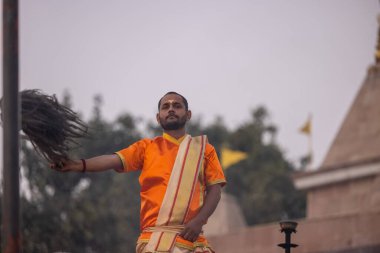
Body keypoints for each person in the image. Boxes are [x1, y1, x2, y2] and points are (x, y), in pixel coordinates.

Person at [51, 91, 226, 253]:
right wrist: (77, 164)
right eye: (166, 106)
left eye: (177, 105)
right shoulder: (146, 148)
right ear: (158, 118)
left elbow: (215, 190)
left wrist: (198, 222)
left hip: (193, 241)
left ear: (188, 115)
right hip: (154, 241)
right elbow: (112, 160)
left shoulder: (204, 149)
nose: (171, 109)